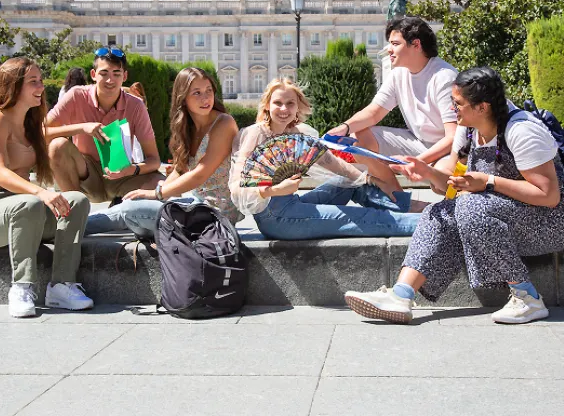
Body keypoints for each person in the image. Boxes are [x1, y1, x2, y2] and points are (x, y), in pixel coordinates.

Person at [345, 66, 564, 325]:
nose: (452, 109)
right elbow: (447, 184)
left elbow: (549, 196)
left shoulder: (522, 131)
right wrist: (425, 171)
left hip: (550, 223)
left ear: (482, 107)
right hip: (502, 214)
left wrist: (489, 182)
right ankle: (401, 296)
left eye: (458, 103)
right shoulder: (469, 128)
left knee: (471, 207)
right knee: (439, 212)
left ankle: (527, 298)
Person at [0, 58, 93, 318]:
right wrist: (41, 192)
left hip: (25, 211)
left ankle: (61, 286)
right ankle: (21, 287)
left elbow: (56, 131)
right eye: (33, 81)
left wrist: (85, 127)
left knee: (77, 201)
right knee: (30, 202)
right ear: (12, 86)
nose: (41, 87)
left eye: (41, 81)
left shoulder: (30, 124)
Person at [229, 78, 424, 241]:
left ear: (298, 107)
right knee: (364, 218)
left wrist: (370, 179)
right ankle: (430, 224)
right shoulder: (256, 134)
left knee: (349, 181)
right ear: (267, 106)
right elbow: (237, 185)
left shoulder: (296, 134)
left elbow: (333, 164)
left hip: (293, 204)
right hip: (275, 218)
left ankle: (411, 208)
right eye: (277, 103)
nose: (284, 109)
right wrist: (274, 190)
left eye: (290, 103)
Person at [84, 67, 241, 236]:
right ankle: (71, 226)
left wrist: (156, 193)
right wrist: (153, 194)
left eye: (209, 90)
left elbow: (199, 174)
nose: (205, 98)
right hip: (194, 206)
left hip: (215, 215)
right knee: (134, 209)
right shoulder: (188, 128)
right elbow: (180, 170)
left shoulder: (223, 123)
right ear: (183, 98)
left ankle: (70, 228)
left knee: (129, 211)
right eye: (196, 93)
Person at [327, 16, 458, 190]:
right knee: (359, 136)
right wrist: (345, 127)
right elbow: (374, 112)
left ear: (416, 45)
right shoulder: (398, 74)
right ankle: (398, 198)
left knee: (441, 183)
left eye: (395, 44)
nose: (389, 49)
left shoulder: (444, 77)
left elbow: (453, 137)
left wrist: (419, 162)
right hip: (418, 142)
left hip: (449, 150)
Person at [46, 47, 164, 203]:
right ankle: (75, 208)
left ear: (125, 76)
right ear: (93, 75)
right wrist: (81, 128)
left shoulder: (136, 105)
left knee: (164, 187)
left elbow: (154, 160)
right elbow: (42, 132)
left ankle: (120, 205)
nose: (110, 80)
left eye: (116, 74)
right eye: (104, 74)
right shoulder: (76, 95)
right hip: (86, 174)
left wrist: (132, 169)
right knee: (57, 146)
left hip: (123, 174)